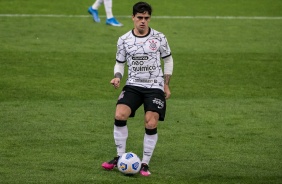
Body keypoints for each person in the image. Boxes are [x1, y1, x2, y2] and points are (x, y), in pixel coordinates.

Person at [101, 1, 173, 176]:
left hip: (154, 86)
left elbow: (168, 60)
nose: (143, 21)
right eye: (139, 17)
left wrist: (166, 84)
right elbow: (119, 63)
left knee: (151, 122)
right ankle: (119, 157)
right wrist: (117, 78)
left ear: (149, 18)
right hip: (133, 85)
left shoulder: (159, 37)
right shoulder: (124, 40)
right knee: (119, 114)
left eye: (146, 18)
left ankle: (145, 163)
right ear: (133, 17)